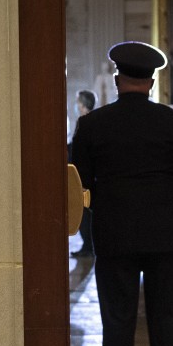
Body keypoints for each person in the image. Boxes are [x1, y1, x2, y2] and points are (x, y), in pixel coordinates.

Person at [70, 41, 173, 346]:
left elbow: (81, 183)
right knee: (170, 319)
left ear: (116, 78)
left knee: (117, 320)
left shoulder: (91, 124)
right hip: (167, 235)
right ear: (153, 82)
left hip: (115, 235)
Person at [70, 89, 97, 256]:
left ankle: (88, 244)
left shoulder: (85, 121)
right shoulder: (92, 120)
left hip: (84, 173)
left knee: (84, 212)